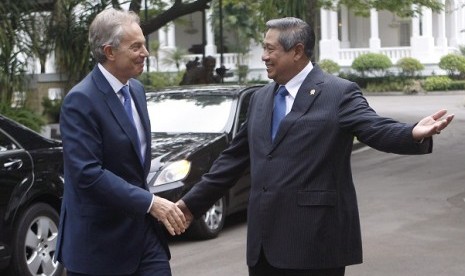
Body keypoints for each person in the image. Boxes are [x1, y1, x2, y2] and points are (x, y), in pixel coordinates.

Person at [177, 17, 454, 276]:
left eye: (270, 49)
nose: (263, 56)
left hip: (316, 244)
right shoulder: (260, 98)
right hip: (263, 247)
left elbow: (374, 128)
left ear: (297, 51)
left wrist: (413, 133)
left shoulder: (338, 92)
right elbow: (231, 161)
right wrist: (189, 206)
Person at [56, 8, 187, 276]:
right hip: (100, 244)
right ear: (110, 52)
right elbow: (87, 175)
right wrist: (150, 203)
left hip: (143, 237)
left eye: (144, 45)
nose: (145, 53)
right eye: (136, 46)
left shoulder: (136, 90)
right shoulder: (80, 101)